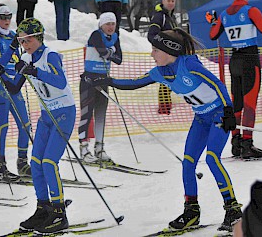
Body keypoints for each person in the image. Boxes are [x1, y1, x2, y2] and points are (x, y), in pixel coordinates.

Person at [87, 28, 242, 232]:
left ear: (169, 50)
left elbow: (218, 84)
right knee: (188, 163)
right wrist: (106, 81)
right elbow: (134, 83)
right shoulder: (160, 72)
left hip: (218, 115)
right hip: (201, 119)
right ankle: (191, 211)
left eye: (155, 50)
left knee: (212, 158)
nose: (152, 54)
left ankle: (233, 209)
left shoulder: (189, 64)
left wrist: (229, 111)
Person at [1, 18, 76, 235]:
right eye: (22, 41)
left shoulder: (49, 55)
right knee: (35, 163)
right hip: (46, 115)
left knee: (49, 162)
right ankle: (43, 208)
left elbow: (60, 82)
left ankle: (59, 214)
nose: (26, 44)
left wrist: (33, 71)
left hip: (63, 112)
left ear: (39, 37)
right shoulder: (25, 57)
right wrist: (0, 72)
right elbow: (14, 88)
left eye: (29, 39)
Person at [209, 0, 262, 159]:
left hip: (234, 60)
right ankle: (247, 145)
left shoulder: (224, 14)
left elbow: (213, 34)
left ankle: (236, 143)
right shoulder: (251, 10)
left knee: (236, 102)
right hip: (250, 59)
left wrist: (213, 21)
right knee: (250, 104)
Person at [0, 4, 32, 181]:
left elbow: (19, 59)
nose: (6, 20)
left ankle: (22, 162)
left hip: (14, 84)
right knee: (3, 125)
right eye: (2, 17)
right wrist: (13, 47)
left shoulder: (14, 35)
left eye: (9, 16)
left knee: (25, 124)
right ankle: (1, 166)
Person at [78, 12, 122, 162]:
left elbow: (119, 60)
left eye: (113, 24)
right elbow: (103, 52)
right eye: (107, 24)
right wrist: (112, 52)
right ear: (101, 24)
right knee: (87, 114)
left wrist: (110, 53)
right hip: (89, 80)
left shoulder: (115, 37)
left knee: (101, 115)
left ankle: (99, 147)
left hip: (103, 80)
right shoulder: (96, 35)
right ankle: (84, 149)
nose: (110, 27)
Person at [148, 0, 178, 115]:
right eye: (168, 1)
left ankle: (168, 105)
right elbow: (151, 34)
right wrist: (162, 48)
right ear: (163, 1)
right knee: (166, 79)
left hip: (172, 54)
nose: (171, 3)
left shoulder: (172, 17)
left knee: (172, 77)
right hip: (164, 54)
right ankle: (164, 108)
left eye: (173, 1)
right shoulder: (160, 16)